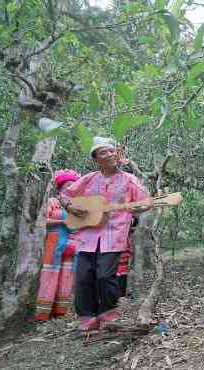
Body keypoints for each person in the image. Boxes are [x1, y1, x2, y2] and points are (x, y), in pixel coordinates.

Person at [61, 137, 151, 331]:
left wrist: (136, 207)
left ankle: (108, 312)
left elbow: (145, 202)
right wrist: (71, 208)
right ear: (96, 159)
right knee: (84, 276)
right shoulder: (89, 179)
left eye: (112, 151)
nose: (110, 154)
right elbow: (66, 195)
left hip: (114, 235)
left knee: (105, 275)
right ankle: (87, 316)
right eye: (104, 152)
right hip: (87, 235)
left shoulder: (129, 180)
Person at [35, 169, 81, 321]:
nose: (70, 188)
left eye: (73, 185)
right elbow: (43, 221)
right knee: (50, 274)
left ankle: (60, 312)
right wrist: (63, 222)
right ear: (60, 187)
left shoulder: (78, 205)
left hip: (74, 243)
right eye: (67, 184)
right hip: (54, 242)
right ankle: (42, 314)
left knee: (67, 277)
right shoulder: (52, 202)